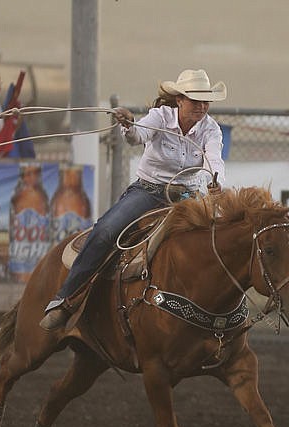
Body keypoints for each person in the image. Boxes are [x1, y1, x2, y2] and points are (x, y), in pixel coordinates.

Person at [39, 68, 227, 330]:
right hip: (149, 192)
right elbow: (138, 136)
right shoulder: (160, 117)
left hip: (187, 196)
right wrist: (128, 125)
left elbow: (214, 158)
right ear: (180, 100)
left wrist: (215, 180)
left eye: (206, 101)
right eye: (196, 100)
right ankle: (65, 299)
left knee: (219, 239)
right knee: (106, 231)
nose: (202, 106)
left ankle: (216, 310)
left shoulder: (210, 129)